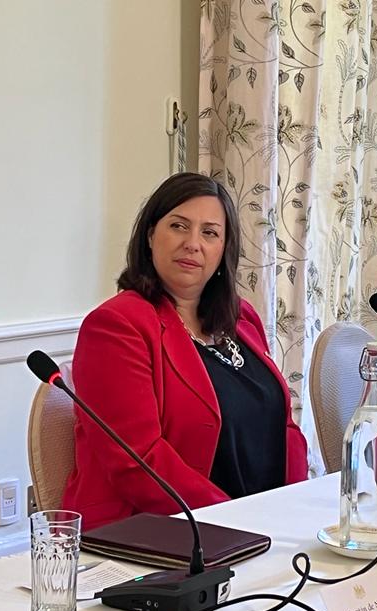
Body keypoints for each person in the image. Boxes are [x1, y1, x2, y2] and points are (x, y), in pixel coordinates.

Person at [62, 172, 308, 529]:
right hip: (160, 535)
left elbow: (283, 425)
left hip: (267, 526)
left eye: (209, 233)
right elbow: (139, 461)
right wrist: (238, 522)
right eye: (179, 226)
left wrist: (293, 508)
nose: (193, 243)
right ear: (150, 235)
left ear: (224, 248)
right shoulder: (116, 326)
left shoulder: (242, 318)